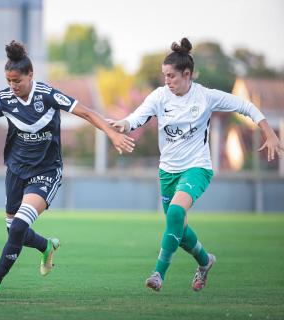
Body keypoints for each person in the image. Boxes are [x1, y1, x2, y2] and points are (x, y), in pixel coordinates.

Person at [0, 40, 135, 296]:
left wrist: (112, 135)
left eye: (17, 80)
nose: (13, 86)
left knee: (17, 228)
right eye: (8, 81)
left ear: (30, 75)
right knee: (15, 230)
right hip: (16, 171)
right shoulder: (4, 99)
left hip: (46, 171)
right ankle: (46, 246)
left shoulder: (47, 95)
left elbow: (88, 113)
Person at [109, 38, 284, 292]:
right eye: (164, 76)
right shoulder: (160, 97)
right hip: (167, 172)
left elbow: (245, 105)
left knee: (176, 214)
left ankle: (158, 273)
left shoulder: (206, 97)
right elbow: (136, 118)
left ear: (187, 74)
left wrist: (269, 132)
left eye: (171, 76)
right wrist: (122, 125)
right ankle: (205, 261)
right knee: (178, 229)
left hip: (197, 168)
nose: (166, 81)